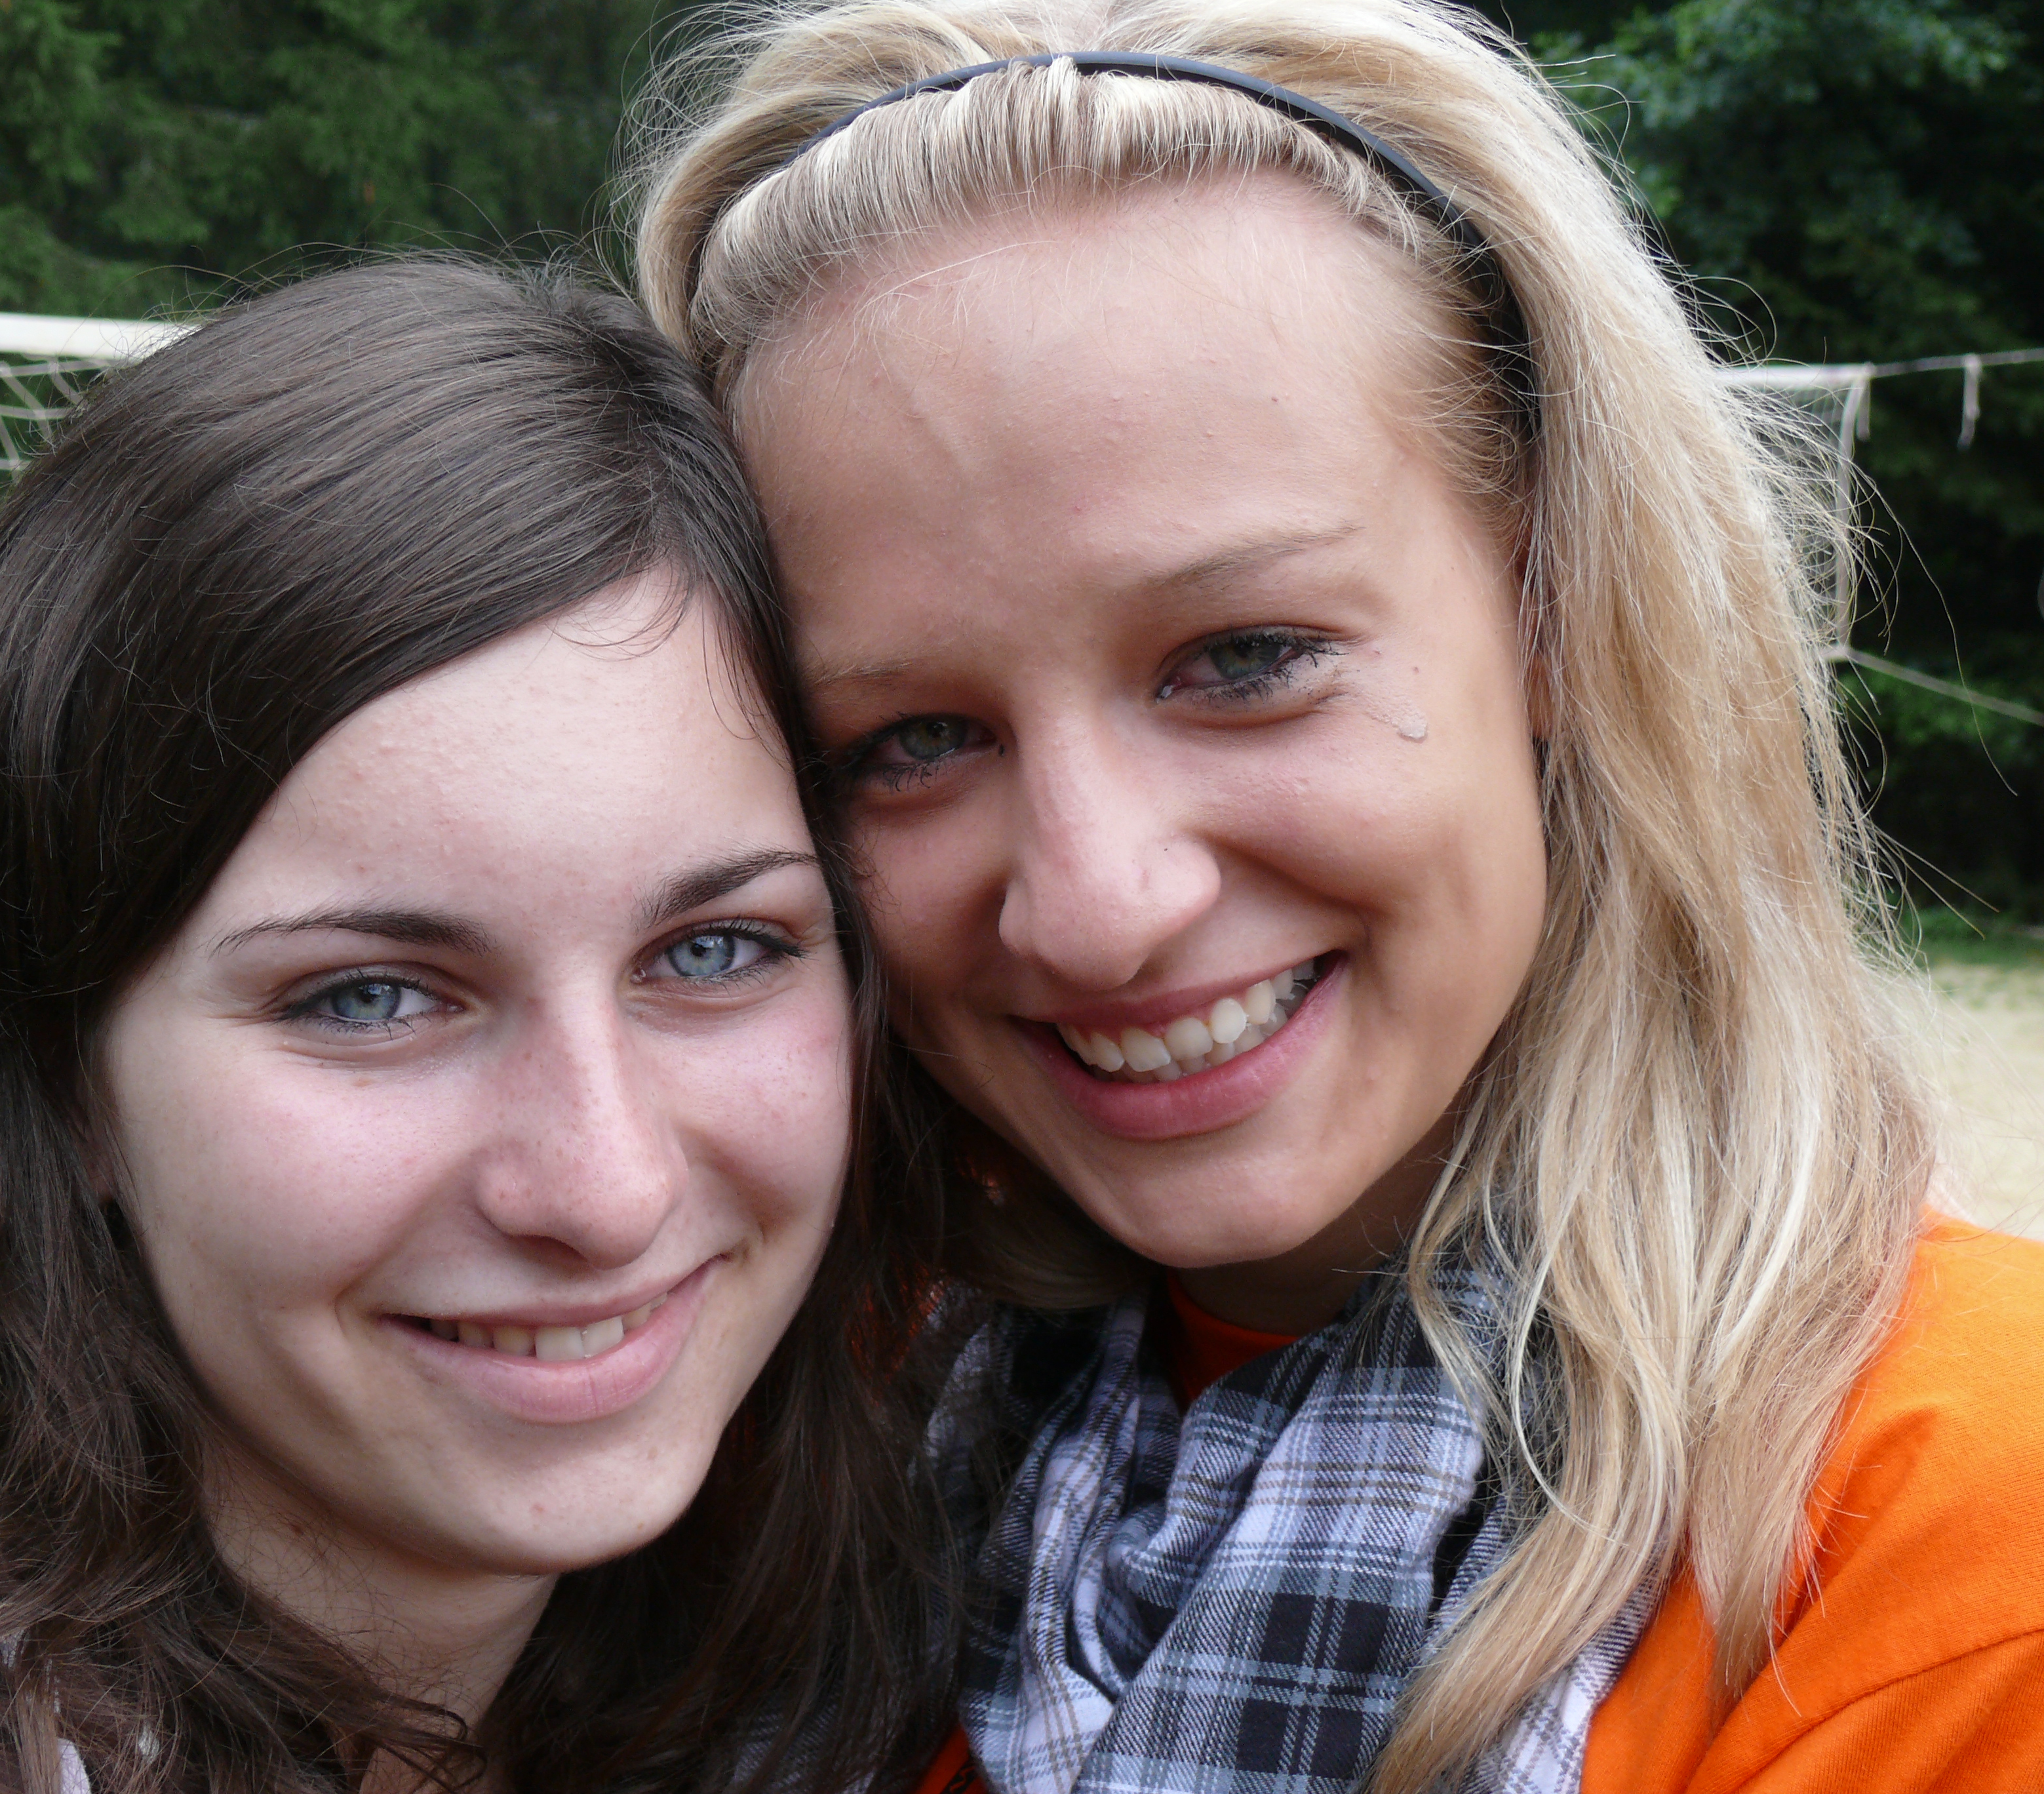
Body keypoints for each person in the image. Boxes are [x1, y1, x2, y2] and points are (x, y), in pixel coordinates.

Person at [631, 3, 2044, 1789]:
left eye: (1246, 657)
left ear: (1554, 604)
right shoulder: (766, 1403)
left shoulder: (1950, 1536)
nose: (1097, 904)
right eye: (909, 742)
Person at [0, 260, 952, 1794]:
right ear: (59, 1074)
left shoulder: (876, 1600)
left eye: (716, 950)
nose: (606, 1192)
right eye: (368, 998)